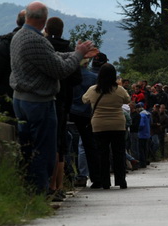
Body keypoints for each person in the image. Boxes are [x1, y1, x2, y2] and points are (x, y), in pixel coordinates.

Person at [10, 1, 95, 194]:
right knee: (44, 149)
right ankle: (40, 189)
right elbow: (60, 69)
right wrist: (79, 55)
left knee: (27, 147)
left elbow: (53, 56)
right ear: (44, 20)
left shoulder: (20, 36)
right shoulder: (35, 40)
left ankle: (30, 188)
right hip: (38, 102)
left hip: (21, 99)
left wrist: (75, 53)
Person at [45, 16, 83, 200]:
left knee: (48, 141)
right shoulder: (69, 50)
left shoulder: (44, 47)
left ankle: (48, 185)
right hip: (64, 101)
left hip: (44, 99)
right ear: (61, 30)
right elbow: (77, 79)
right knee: (60, 143)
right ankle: (58, 186)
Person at [83, 63, 130, 189]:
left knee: (102, 154)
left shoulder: (93, 90)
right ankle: (121, 180)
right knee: (119, 153)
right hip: (118, 124)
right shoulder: (120, 90)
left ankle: (105, 182)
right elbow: (127, 100)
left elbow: (84, 100)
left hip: (99, 125)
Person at [69, 59, 102, 188]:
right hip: (88, 114)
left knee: (72, 146)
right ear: (86, 63)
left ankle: (75, 175)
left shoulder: (70, 77)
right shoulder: (93, 78)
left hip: (72, 113)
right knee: (90, 146)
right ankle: (96, 177)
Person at [0, 9, 25, 118]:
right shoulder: (38, 43)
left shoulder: (4, 43)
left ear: (17, 21)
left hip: (5, 95)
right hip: (29, 98)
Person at [137, 102, 151, 168]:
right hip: (147, 134)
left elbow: (141, 124)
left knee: (141, 149)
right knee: (145, 149)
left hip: (141, 134)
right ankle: (145, 160)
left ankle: (142, 163)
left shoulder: (141, 115)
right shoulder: (148, 114)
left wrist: (137, 129)